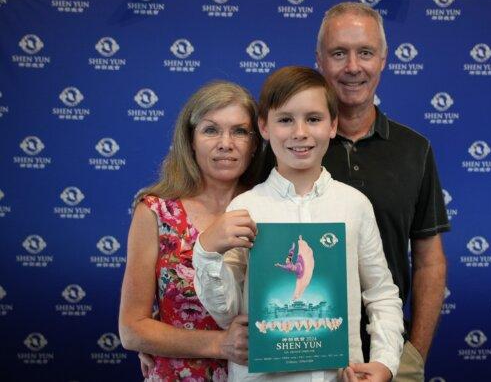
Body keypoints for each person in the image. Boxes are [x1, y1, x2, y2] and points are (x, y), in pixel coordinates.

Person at [192, 66, 404, 382]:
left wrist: (385, 362)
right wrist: (206, 252)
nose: (300, 132)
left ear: (333, 125)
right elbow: (227, 313)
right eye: (286, 120)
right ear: (264, 126)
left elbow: (381, 293)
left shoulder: (354, 205)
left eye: (314, 119)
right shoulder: (246, 208)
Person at [316, 2, 450, 381]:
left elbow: (429, 260)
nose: (353, 66)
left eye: (366, 53)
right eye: (339, 53)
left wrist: (413, 355)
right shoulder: (289, 146)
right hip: (299, 356)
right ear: (320, 61)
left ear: (384, 60)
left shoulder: (415, 149)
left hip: (386, 359)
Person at [118, 81, 263, 381]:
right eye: (211, 130)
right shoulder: (155, 212)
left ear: (255, 143)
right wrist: (219, 344)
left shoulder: (271, 209)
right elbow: (132, 329)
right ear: (191, 140)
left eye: (239, 131)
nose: (226, 143)